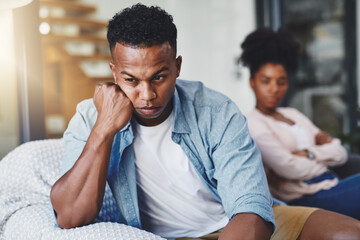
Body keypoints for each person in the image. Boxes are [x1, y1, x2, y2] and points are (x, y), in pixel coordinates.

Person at [50, 4, 360, 240]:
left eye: (159, 76)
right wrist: (104, 130)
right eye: (131, 80)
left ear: (178, 66)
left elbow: (250, 206)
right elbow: (69, 215)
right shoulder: (90, 116)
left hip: (240, 225)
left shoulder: (216, 110)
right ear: (114, 72)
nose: (146, 95)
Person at [241, 27, 360, 220]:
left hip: (331, 183)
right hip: (307, 197)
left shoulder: (292, 114)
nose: (274, 89)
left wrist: (308, 153)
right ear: (252, 82)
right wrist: (321, 151)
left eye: (281, 82)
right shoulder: (253, 122)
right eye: (266, 81)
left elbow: (340, 153)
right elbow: (288, 167)